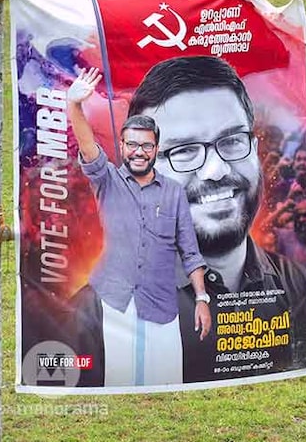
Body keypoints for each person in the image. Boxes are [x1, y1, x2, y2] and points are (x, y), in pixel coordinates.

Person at [126, 56, 306, 382]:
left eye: (232, 141)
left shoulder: (295, 284)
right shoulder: (94, 317)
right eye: (183, 151)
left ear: (254, 147)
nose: (216, 170)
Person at [67, 67, 211, 387]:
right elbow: (89, 149)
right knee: (119, 386)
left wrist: (202, 299)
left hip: (162, 306)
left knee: (167, 389)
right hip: (116, 304)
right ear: (122, 146)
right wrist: (74, 106)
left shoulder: (174, 192)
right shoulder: (107, 181)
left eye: (146, 146)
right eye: (132, 145)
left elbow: (190, 251)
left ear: (156, 150)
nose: (138, 152)